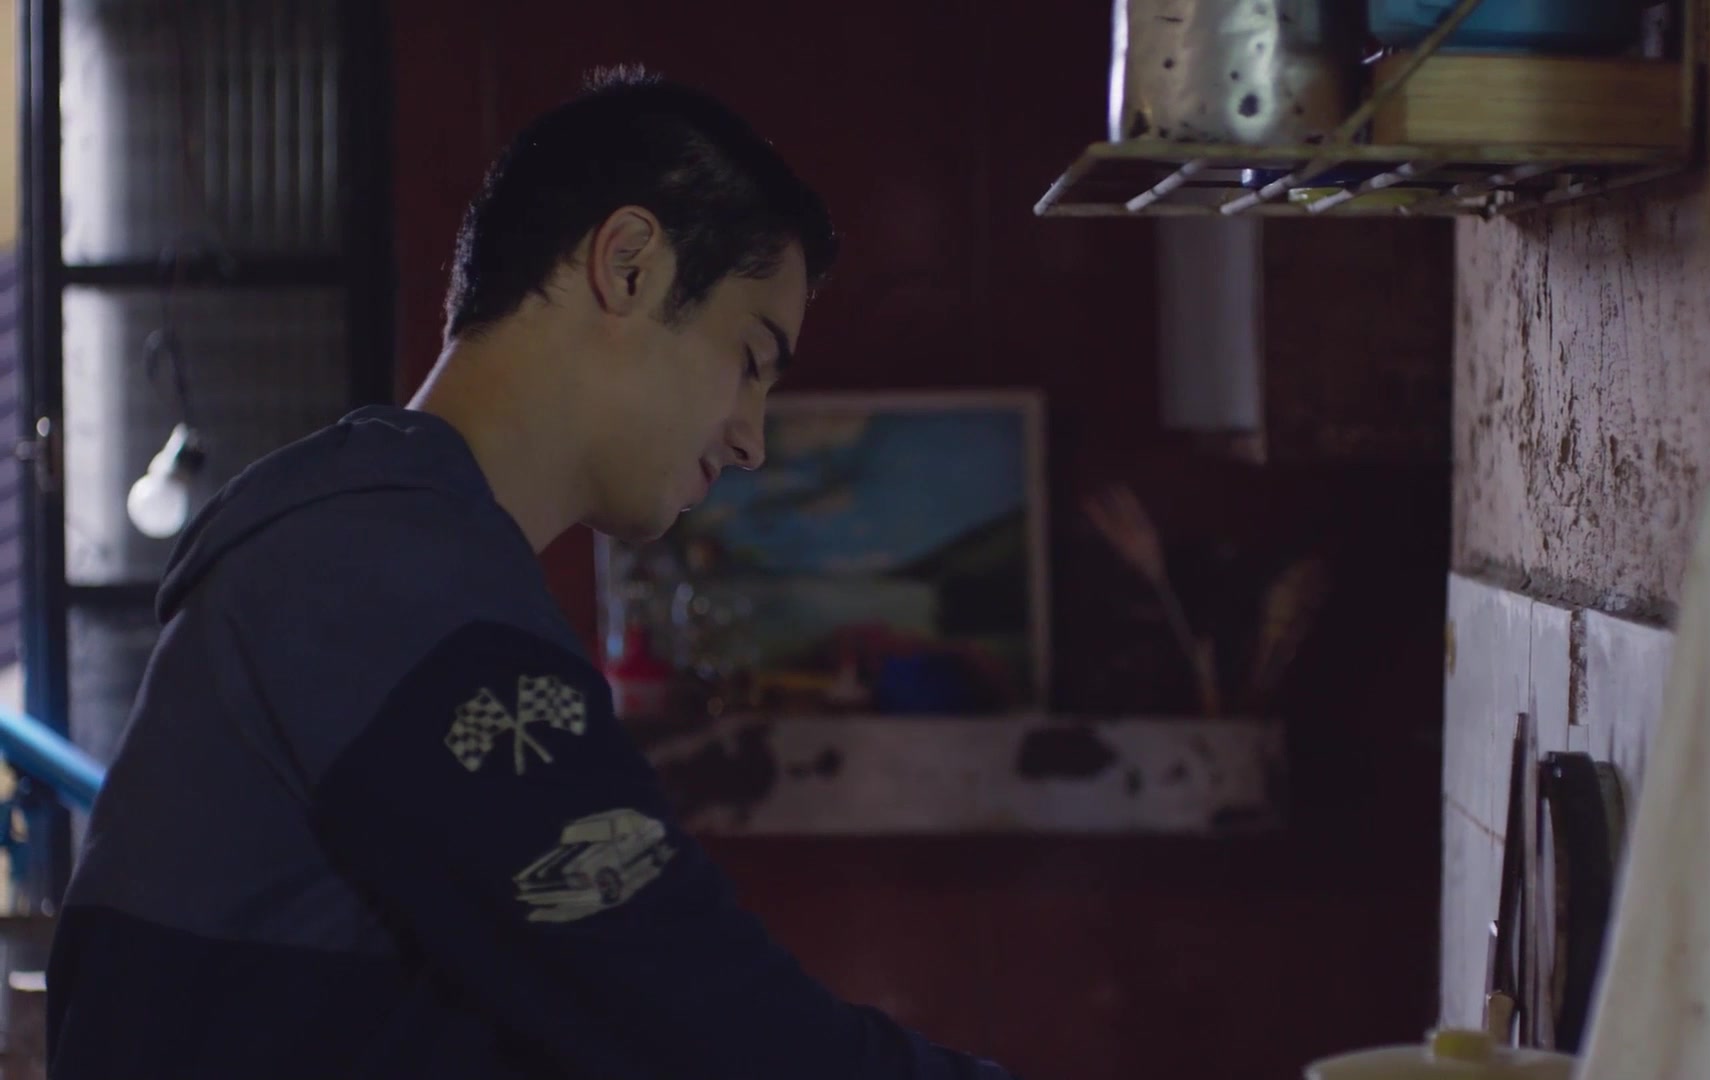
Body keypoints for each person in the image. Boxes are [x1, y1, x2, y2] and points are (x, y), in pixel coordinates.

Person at [46, 67, 1020, 1079]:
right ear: (629, 265)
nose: (751, 440)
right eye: (749, 359)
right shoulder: (383, 579)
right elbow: (691, 1011)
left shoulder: (368, 548)